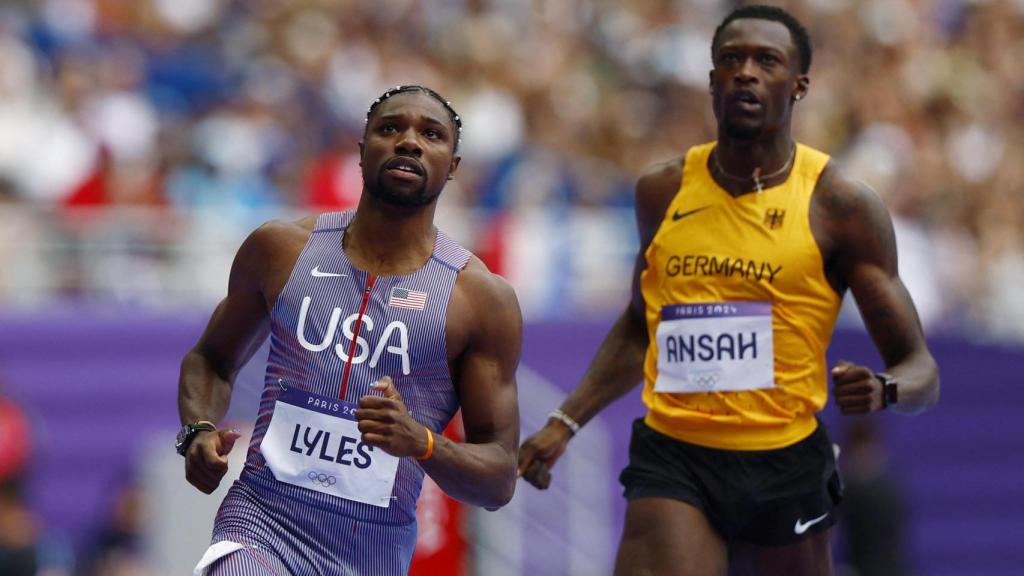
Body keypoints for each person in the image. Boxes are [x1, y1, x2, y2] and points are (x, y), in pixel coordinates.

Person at [517, 5, 939, 576]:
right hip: (675, 451)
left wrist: (888, 389)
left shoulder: (840, 205)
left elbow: (920, 369)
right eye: (730, 60)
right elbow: (643, 323)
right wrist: (565, 421)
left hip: (786, 460)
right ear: (711, 80)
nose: (746, 72)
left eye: (767, 61)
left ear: (799, 86)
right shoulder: (663, 191)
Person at [177, 85, 522, 575]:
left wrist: (423, 442)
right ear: (361, 152)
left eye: (431, 134)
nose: (408, 142)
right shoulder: (280, 250)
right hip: (259, 525)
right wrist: (198, 430)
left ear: (454, 165)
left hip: (372, 554)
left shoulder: (481, 300)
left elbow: (499, 478)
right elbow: (210, 359)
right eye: (390, 128)